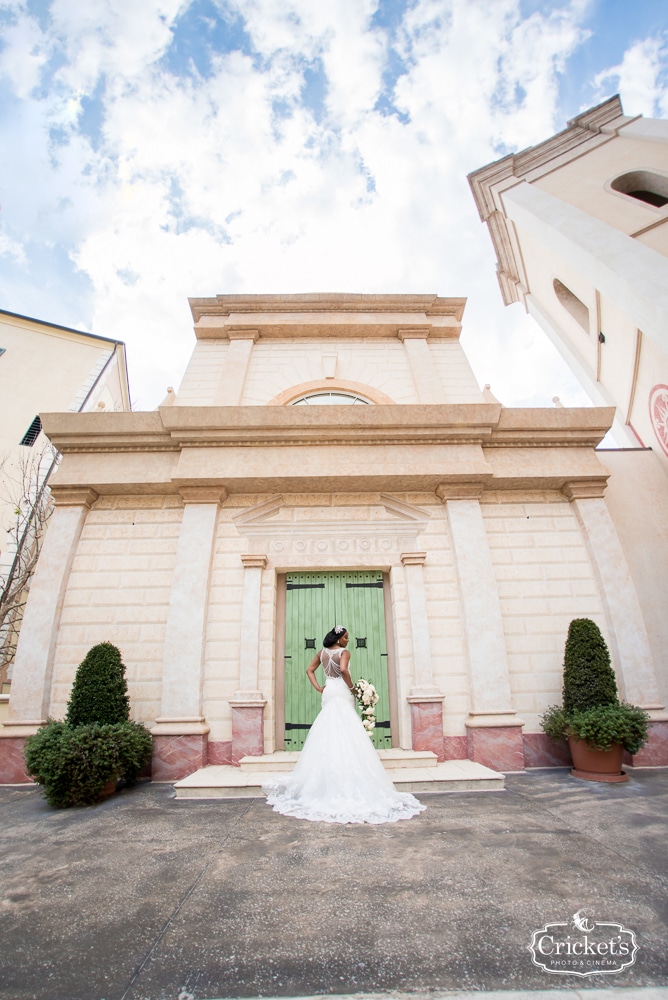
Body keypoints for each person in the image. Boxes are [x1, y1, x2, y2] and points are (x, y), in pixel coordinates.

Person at [263, 625, 425, 824]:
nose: (348, 640)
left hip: (329, 690)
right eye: (346, 637)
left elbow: (309, 670)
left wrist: (318, 688)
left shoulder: (322, 653)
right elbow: (345, 671)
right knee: (347, 724)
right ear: (338, 639)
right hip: (341, 689)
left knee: (329, 723)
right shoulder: (344, 653)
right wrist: (353, 689)